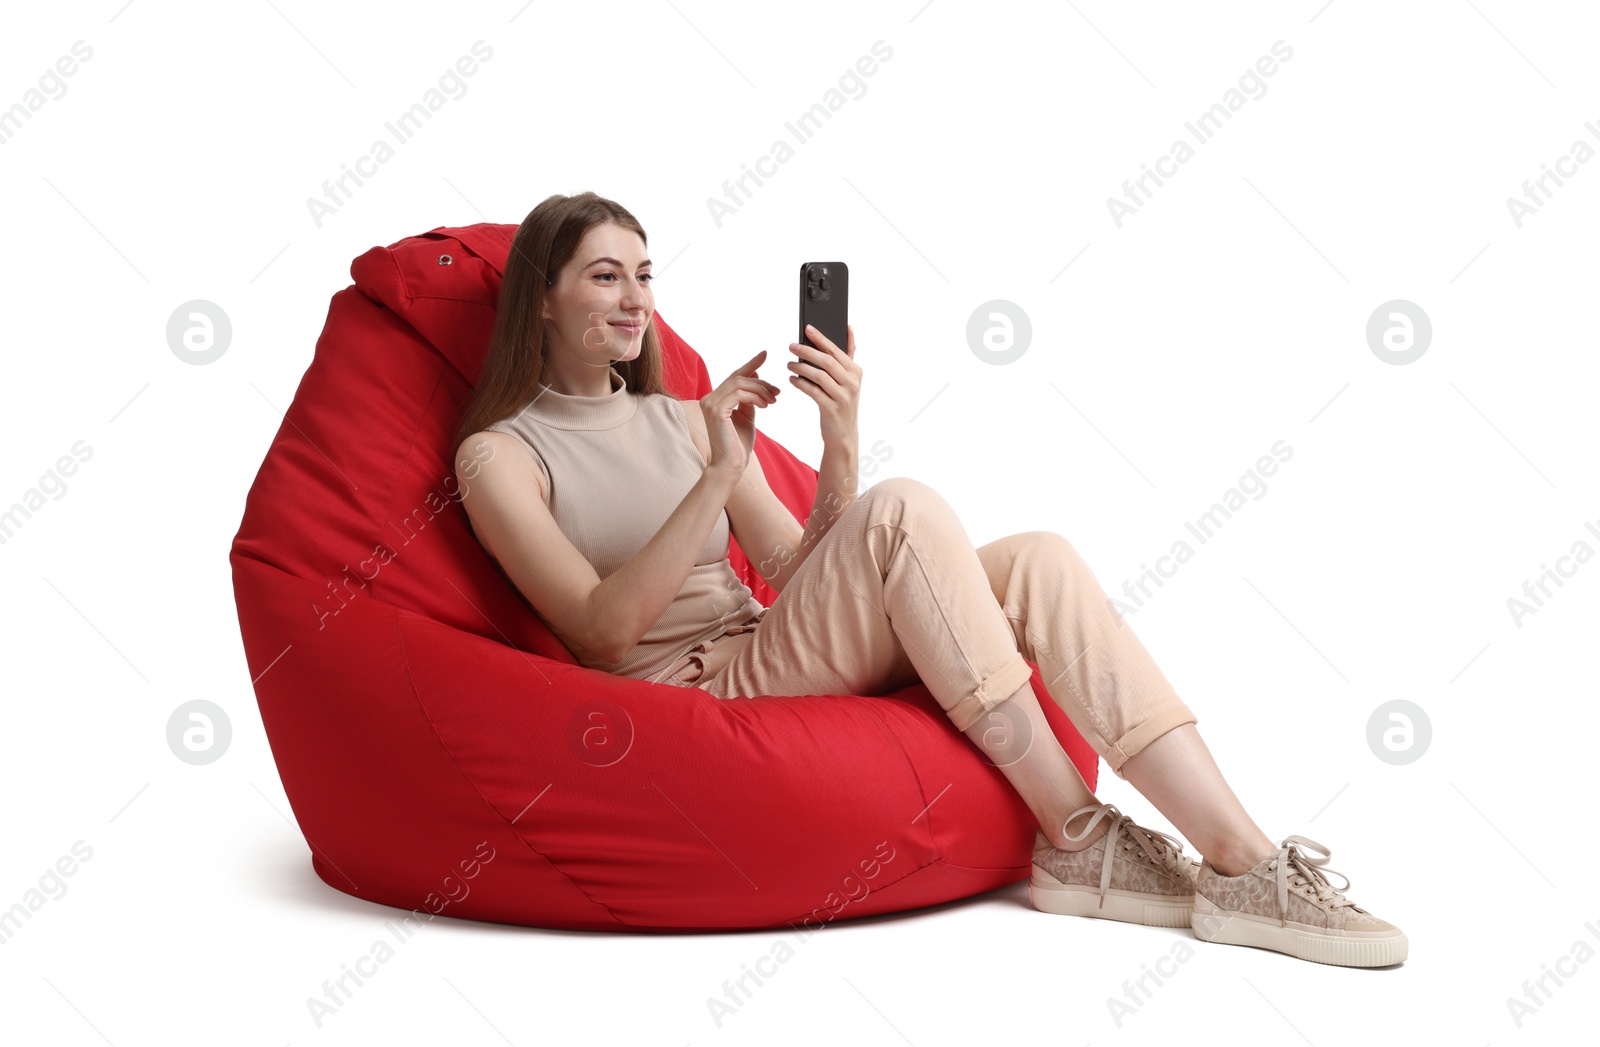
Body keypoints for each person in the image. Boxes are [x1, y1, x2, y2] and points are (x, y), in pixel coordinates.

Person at [451, 192, 1407, 968]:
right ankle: (1073, 826)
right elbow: (602, 632)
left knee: (1039, 556)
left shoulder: (683, 414)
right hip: (691, 689)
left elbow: (797, 571)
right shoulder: (501, 455)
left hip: (763, 647)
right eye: (605, 276)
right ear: (541, 296)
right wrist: (714, 476)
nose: (635, 299)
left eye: (646, 276)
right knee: (904, 512)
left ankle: (1243, 857)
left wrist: (839, 440)